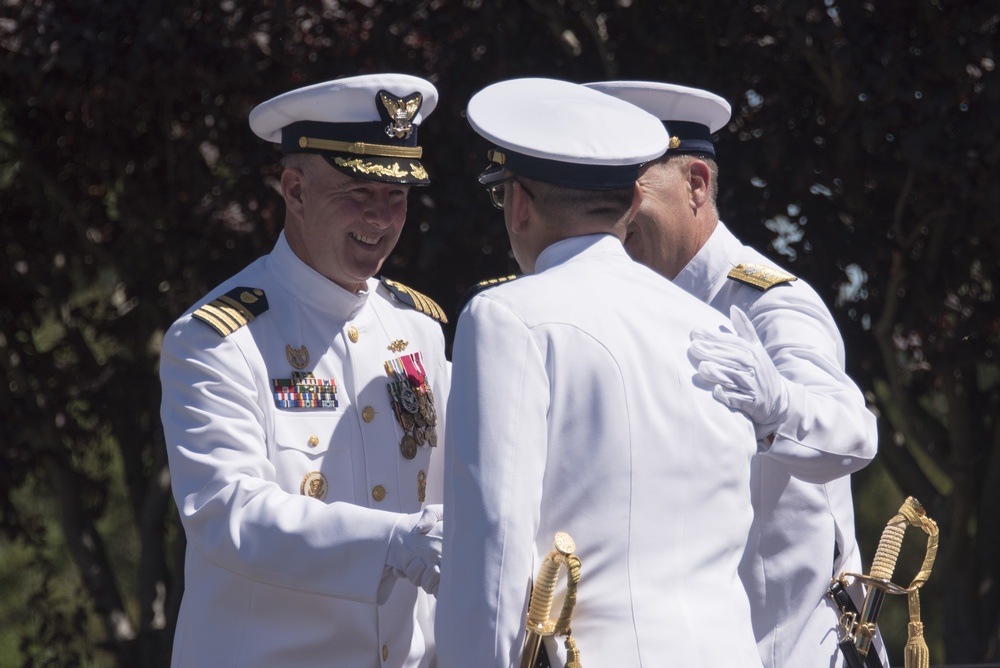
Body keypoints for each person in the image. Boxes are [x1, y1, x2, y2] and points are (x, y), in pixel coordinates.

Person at [436, 77, 764, 668]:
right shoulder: (711, 324)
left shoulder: (508, 317)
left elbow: (494, 551)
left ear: (518, 205)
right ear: (633, 202)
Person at [585, 80, 885, 668]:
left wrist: (780, 411)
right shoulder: (624, 303)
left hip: (783, 648)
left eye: (628, 192)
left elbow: (851, 432)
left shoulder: (767, 304)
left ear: (695, 185)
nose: (613, 220)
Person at [159, 74, 450, 668]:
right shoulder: (218, 340)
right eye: (357, 193)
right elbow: (228, 512)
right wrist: (392, 542)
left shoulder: (417, 327)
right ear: (294, 190)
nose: (380, 218)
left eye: (395, 197)